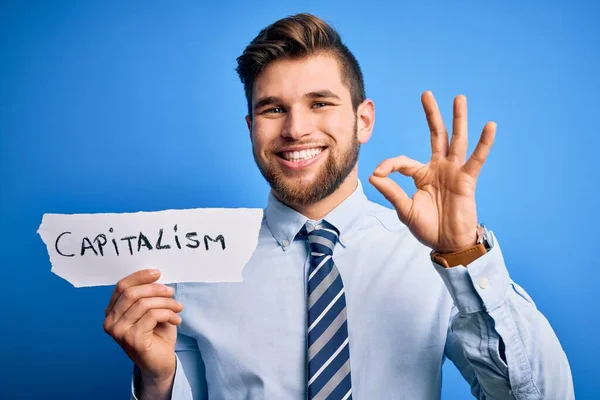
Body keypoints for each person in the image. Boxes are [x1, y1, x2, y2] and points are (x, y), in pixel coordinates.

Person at [103, 13, 574, 400]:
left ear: (362, 120)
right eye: (273, 109)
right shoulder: (197, 265)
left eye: (320, 103)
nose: (295, 129)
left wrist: (465, 255)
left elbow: (544, 395)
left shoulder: (434, 260)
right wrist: (157, 383)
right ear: (251, 127)